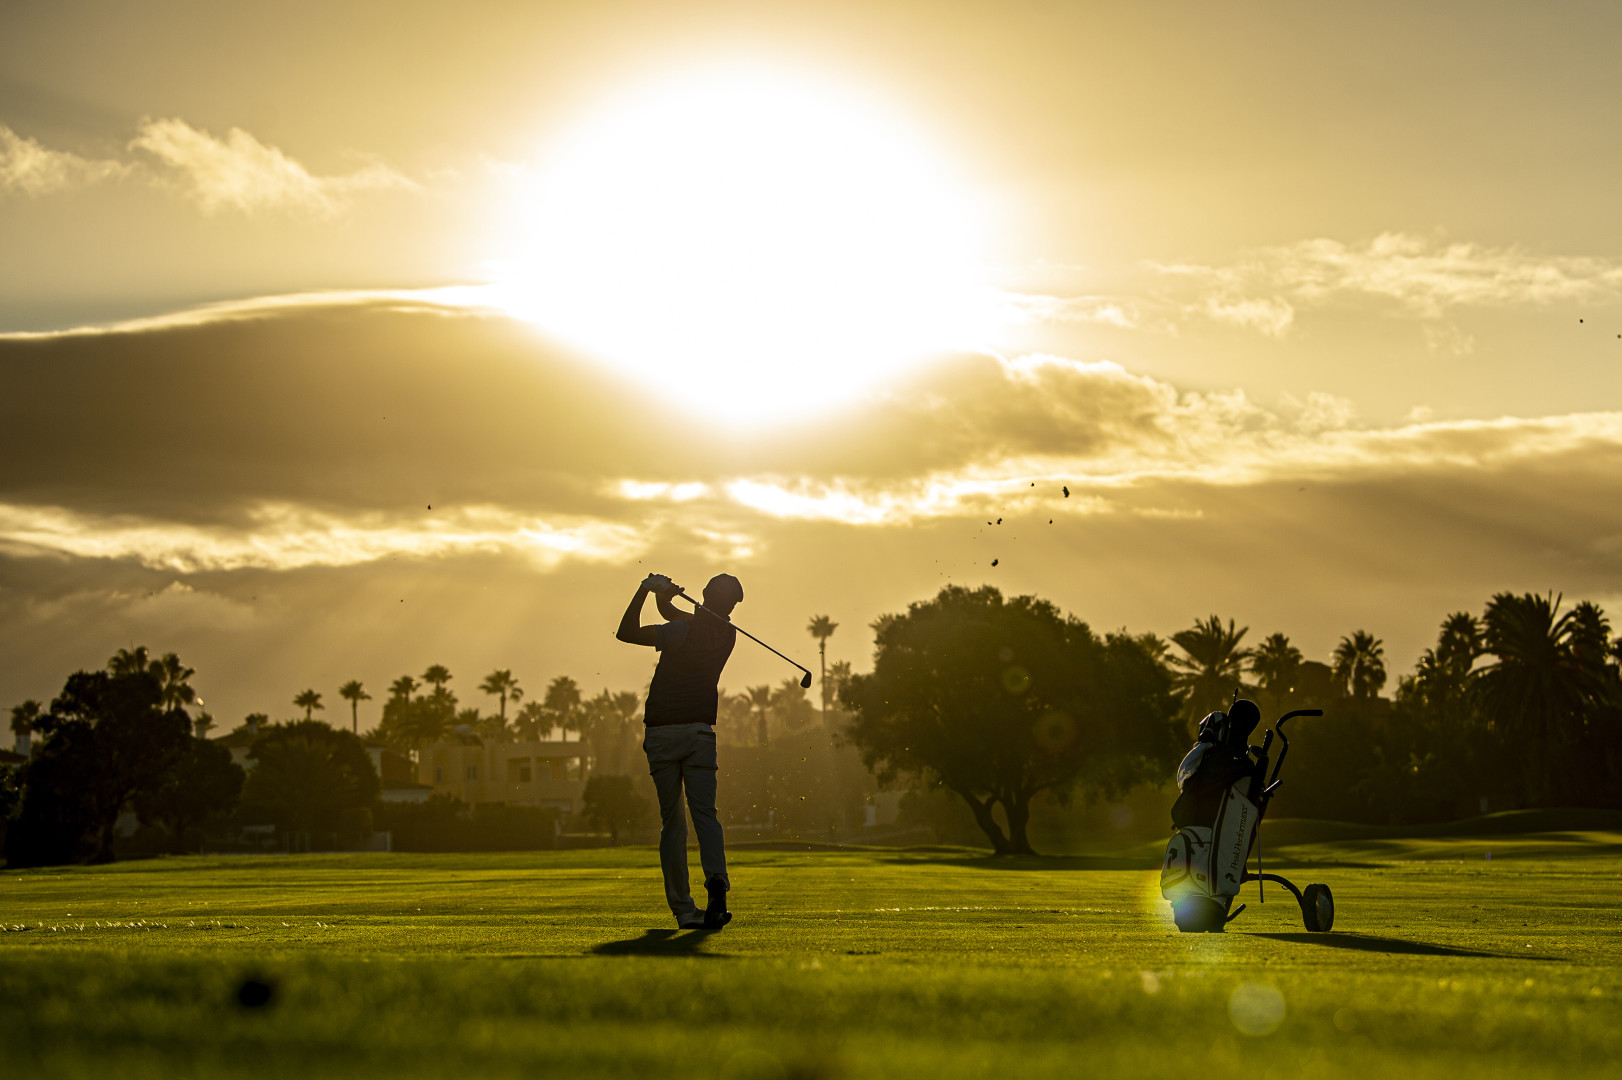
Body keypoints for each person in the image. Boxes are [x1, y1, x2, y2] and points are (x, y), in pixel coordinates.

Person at [615, 571, 743, 929]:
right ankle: (717, 880)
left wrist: (644, 589)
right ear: (731, 606)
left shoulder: (679, 632)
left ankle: (684, 910)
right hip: (700, 734)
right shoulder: (727, 634)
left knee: (673, 822)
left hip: (662, 733)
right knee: (706, 815)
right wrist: (666, 597)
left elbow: (626, 632)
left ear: (703, 594)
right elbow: (680, 617)